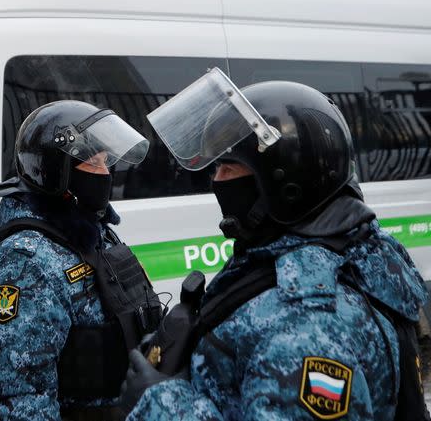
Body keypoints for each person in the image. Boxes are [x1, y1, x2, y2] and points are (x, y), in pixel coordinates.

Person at [120, 70, 430, 420]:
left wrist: (158, 403)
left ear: (282, 181)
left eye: (228, 168)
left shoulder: (309, 325)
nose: (216, 180)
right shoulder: (337, 248)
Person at [0, 100, 162, 421]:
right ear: (55, 173)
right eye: (93, 163)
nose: (105, 174)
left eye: (106, 161)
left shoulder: (94, 231)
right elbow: (20, 396)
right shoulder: (25, 258)